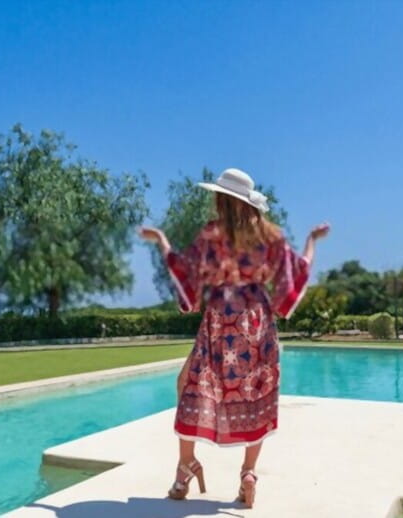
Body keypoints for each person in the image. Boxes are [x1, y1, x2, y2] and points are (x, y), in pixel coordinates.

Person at [139, 168, 330, 508]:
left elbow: (186, 275)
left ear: (221, 199)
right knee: (257, 395)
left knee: (192, 385)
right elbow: (296, 274)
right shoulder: (269, 236)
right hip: (258, 321)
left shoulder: (213, 235)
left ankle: (184, 470)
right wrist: (312, 242)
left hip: (220, 321)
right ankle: (248, 474)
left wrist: (163, 243)